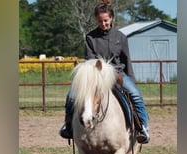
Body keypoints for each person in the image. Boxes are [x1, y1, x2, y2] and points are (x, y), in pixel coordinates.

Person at [59, 0, 150, 144]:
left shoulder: (121, 37)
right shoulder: (90, 37)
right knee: (71, 96)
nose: (103, 24)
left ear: (111, 18)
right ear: (97, 20)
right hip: (96, 76)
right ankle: (68, 125)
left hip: (118, 75)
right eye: (100, 21)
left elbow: (126, 61)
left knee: (136, 95)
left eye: (106, 20)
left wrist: (131, 80)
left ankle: (142, 128)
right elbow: (90, 60)